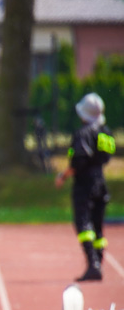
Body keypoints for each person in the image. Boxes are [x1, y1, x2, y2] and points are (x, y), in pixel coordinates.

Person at [55, 92, 113, 282]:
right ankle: (98, 260)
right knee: (97, 225)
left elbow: (79, 161)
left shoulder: (82, 134)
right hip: (100, 181)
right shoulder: (105, 132)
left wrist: (63, 176)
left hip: (85, 184)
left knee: (83, 223)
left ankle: (93, 264)